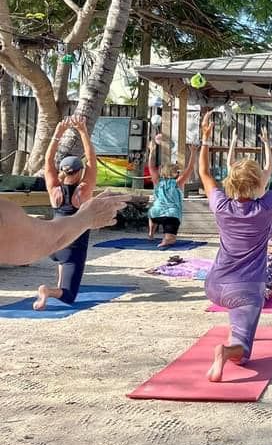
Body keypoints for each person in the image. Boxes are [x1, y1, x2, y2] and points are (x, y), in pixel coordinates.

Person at [197, 111, 272, 382]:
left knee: (236, 315)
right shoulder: (264, 208)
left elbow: (204, 173)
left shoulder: (220, 204)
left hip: (214, 286)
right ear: (257, 183)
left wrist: (205, 139)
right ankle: (226, 351)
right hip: (246, 290)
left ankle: (234, 331)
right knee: (243, 351)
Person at [33, 117, 98, 310]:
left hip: (52, 244)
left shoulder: (54, 189)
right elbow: (92, 159)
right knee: (68, 296)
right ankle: (47, 292)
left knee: (64, 273)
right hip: (73, 246)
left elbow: (47, 160)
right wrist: (83, 131)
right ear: (79, 172)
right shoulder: (84, 191)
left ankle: (57, 287)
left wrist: (57, 134)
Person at [1, 191, 129, 266]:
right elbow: (37, 242)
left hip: (63, 231)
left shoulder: (55, 186)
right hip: (64, 233)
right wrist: (85, 217)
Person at [146, 134, 198, 248]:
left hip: (156, 213)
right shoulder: (177, 183)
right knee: (171, 240)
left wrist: (152, 151)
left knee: (151, 213)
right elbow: (189, 168)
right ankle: (166, 240)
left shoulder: (157, 182)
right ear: (175, 173)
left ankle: (151, 233)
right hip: (171, 214)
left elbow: (150, 166)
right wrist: (193, 153)